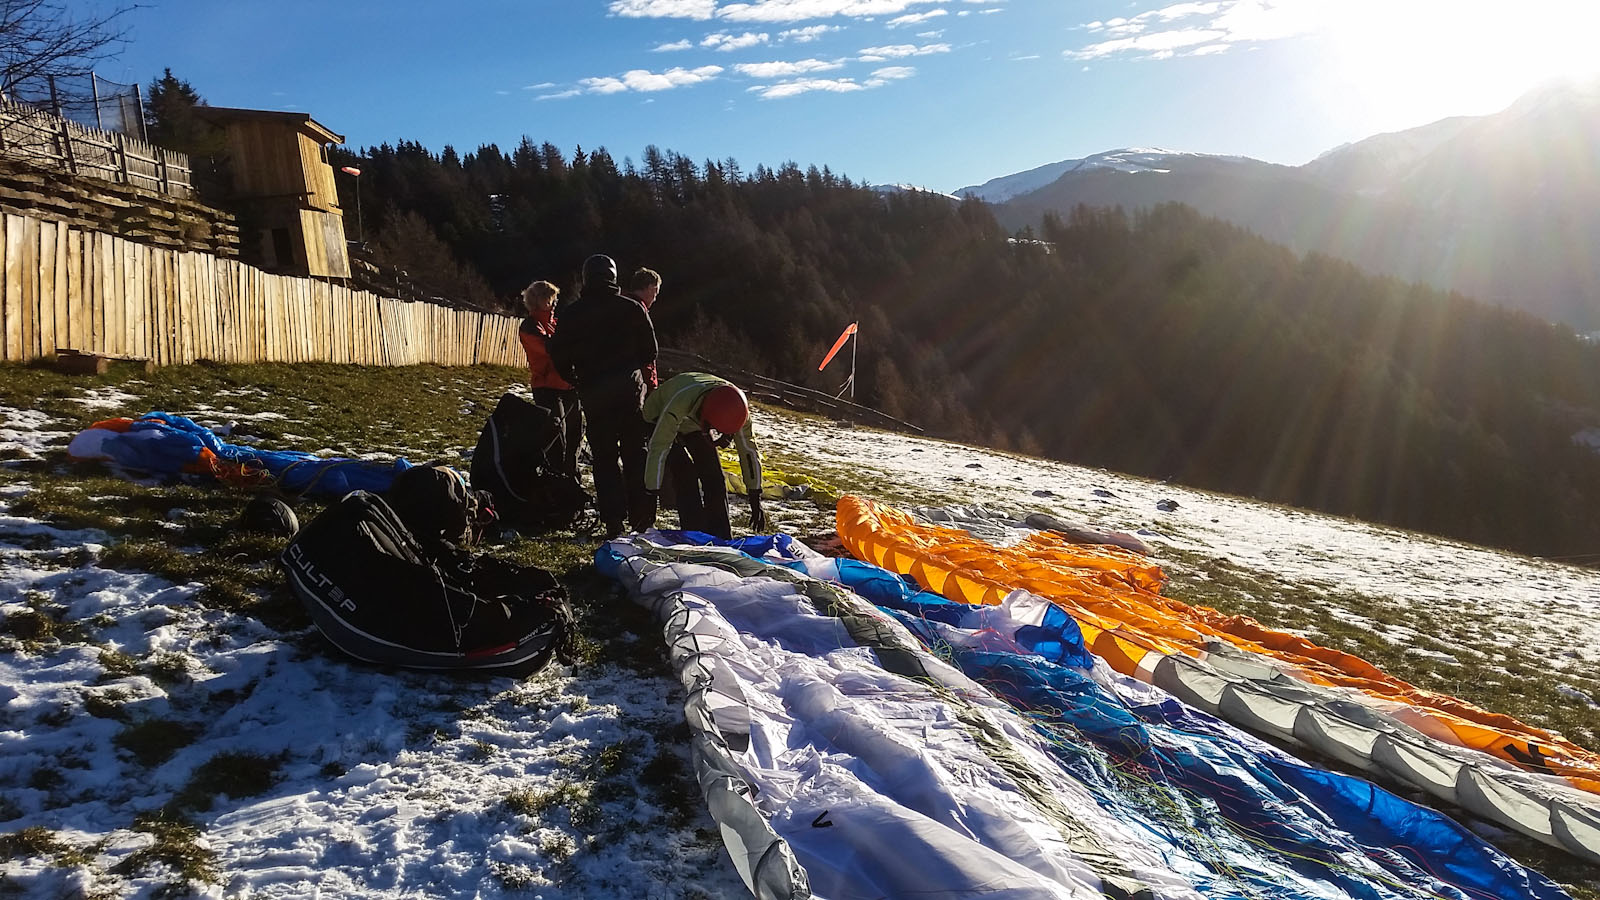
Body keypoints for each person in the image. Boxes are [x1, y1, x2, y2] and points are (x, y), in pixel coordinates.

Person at [548, 254, 658, 539]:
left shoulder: (572, 313)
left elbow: (557, 352)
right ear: (613, 276)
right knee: (636, 454)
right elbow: (651, 351)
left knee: (604, 457)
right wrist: (630, 366)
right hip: (629, 391)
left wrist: (573, 377)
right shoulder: (632, 308)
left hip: (594, 392)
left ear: (586, 278)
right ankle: (642, 518)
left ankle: (613, 521)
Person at [642, 372, 766, 540]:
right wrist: (651, 493)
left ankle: (721, 537)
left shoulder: (739, 412)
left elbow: (749, 452)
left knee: (714, 477)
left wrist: (755, 494)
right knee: (685, 475)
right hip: (657, 417)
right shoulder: (679, 402)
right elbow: (659, 447)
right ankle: (694, 535)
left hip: (695, 424)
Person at [517, 281, 581, 478]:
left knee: (576, 432)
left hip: (569, 385)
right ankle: (555, 477)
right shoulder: (530, 327)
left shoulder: (556, 323)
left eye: (555, 299)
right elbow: (550, 349)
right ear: (538, 300)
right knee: (556, 434)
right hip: (547, 387)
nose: (554, 303)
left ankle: (571, 476)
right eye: (550, 299)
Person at [625, 267, 663, 389]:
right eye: (656, 292)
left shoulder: (619, 306)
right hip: (637, 381)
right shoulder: (639, 312)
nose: (655, 298)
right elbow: (649, 352)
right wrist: (651, 385)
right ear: (650, 287)